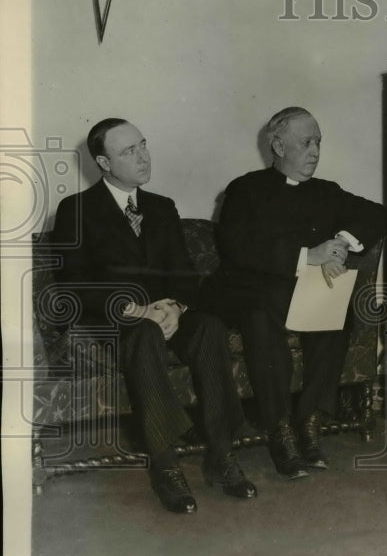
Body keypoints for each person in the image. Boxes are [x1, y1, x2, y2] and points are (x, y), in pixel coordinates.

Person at [51, 119, 256, 514]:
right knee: (144, 334)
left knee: (209, 326)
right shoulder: (76, 209)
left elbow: (185, 275)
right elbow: (74, 285)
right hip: (112, 321)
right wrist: (136, 309)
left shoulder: (162, 208)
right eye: (129, 151)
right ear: (103, 162)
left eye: (143, 145)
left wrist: (175, 307)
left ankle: (220, 455)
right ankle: (165, 466)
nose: (143, 156)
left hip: (163, 313)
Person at [210, 106, 387, 479]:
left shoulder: (327, 192)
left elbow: (379, 214)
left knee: (335, 313)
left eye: (318, 143)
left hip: (301, 295)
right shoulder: (245, 189)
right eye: (306, 143)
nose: (315, 152)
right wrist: (310, 256)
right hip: (253, 292)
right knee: (261, 318)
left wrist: (340, 244)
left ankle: (308, 421)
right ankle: (280, 430)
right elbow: (238, 248)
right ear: (277, 145)